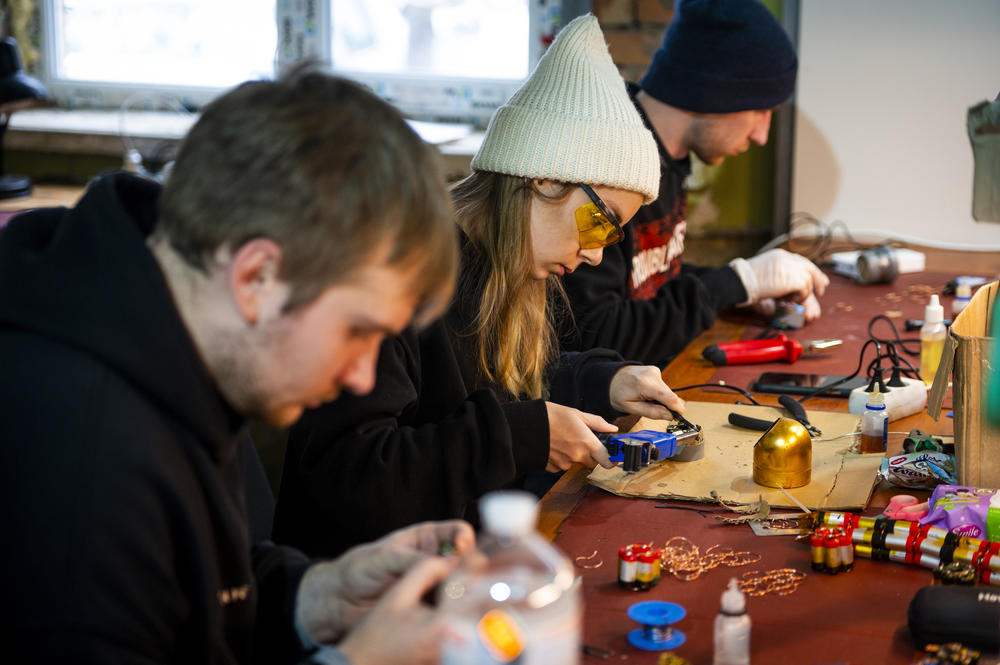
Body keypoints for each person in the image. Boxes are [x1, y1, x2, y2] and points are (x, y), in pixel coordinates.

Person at [0, 67, 474, 665]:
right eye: (358, 331)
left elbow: (194, 591)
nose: (360, 376)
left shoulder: (166, 330)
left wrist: (317, 596)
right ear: (255, 277)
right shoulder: (83, 475)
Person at [273, 15, 686, 558]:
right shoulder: (390, 275)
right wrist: (523, 435)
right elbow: (353, 482)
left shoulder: (496, 267)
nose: (596, 253)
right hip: (357, 593)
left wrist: (600, 381)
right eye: (600, 221)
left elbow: (486, 390)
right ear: (545, 176)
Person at [562, 0, 830, 367]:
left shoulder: (669, 159)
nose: (761, 135)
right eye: (760, 109)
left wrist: (740, 289)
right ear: (713, 91)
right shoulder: (607, 166)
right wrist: (735, 282)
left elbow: (647, 282)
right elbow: (596, 336)